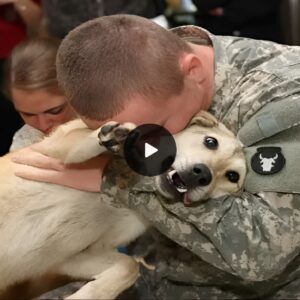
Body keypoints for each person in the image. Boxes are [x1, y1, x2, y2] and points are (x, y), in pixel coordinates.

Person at [12, 15, 300, 299]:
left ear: (194, 71)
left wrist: (115, 179)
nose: (143, 145)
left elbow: (263, 252)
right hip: (150, 270)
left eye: (156, 130)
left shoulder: (288, 96)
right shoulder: (133, 68)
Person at [7, 37, 76, 151]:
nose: (42, 125)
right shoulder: (26, 142)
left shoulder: (109, 125)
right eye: (28, 114)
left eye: (55, 111)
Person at [192, 0, 281, 42]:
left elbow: (264, 6)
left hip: (260, 38)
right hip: (216, 39)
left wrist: (227, 11)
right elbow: (203, 3)